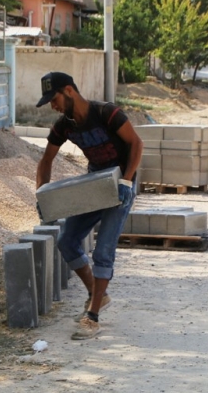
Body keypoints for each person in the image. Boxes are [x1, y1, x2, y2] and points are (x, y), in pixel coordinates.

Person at [35, 71, 143, 340]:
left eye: (54, 99)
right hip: (95, 182)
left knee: (104, 249)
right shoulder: (64, 126)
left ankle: (92, 317)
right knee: (67, 240)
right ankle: (97, 294)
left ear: (69, 91)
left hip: (121, 181)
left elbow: (136, 143)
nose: (53, 105)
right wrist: (42, 196)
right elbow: (45, 161)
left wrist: (127, 181)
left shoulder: (107, 113)